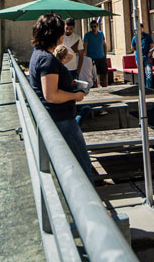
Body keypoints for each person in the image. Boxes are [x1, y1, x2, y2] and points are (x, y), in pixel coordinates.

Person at [29, 13, 94, 182]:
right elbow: (51, 95)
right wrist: (76, 96)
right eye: (61, 33)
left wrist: (68, 83)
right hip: (62, 120)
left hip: (55, 118)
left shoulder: (38, 55)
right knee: (83, 168)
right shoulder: (47, 59)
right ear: (55, 35)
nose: (63, 36)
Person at [83, 20, 109, 87]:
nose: (93, 28)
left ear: (97, 26)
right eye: (92, 27)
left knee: (104, 74)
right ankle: (96, 88)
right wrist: (86, 59)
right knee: (94, 76)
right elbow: (85, 47)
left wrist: (105, 55)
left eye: (95, 26)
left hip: (101, 57)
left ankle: (105, 88)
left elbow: (104, 44)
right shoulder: (87, 35)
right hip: (92, 59)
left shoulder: (101, 34)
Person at [131, 23, 154, 89]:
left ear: (142, 29)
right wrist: (137, 50)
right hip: (138, 57)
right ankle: (143, 87)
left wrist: (149, 53)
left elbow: (152, 45)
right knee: (141, 74)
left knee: (149, 72)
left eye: (140, 28)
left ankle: (149, 87)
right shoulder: (135, 37)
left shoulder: (147, 36)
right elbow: (132, 47)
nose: (139, 30)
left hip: (146, 57)